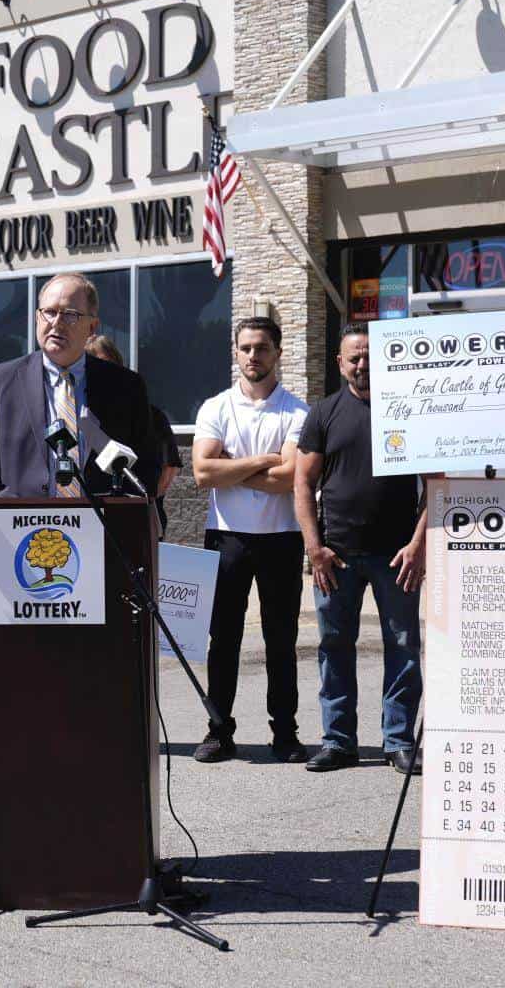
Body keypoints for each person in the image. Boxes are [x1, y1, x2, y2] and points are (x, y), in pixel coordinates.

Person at [293, 321, 427, 775]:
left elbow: (439, 483)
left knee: (404, 646)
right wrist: (314, 549)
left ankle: (399, 741)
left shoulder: (411, 411)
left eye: (370, 356)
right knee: (334, 646)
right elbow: (302, 482)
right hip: (337, 556)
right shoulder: (324, 413)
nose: (363, 364)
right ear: (340, 362)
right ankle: (338, 741)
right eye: (354, 357)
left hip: (397, 557)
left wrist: (418, 545)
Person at [191, 316, 310, 764]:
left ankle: (286, 733)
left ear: (277, 352)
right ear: (236, 353)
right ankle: (219, 731)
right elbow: (203, 473)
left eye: (261, 348)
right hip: (227, 537)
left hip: (281, 537)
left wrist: (233, 466)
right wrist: (264, 461)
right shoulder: (215, 407)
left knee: (282, 640)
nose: (252, 356)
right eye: (245, 348)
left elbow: (288, 479)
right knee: (223, 639)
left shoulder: (297, 411)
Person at [0, 273, 160, 499]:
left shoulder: (125, 386)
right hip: (22, 530)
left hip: (101, 528)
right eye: (49, 312)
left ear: (92, 327)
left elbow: (147, 467)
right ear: (37, 317)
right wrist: (13, 510)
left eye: (70, 314)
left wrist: (117, 510)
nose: (57, 322)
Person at [85, 334, 182, 534]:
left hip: (136, 517)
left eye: (106, 365)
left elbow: (168, 470)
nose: (102, 373)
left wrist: (138, 500)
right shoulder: (78, 415)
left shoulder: (149, 413)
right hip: (86, 518)